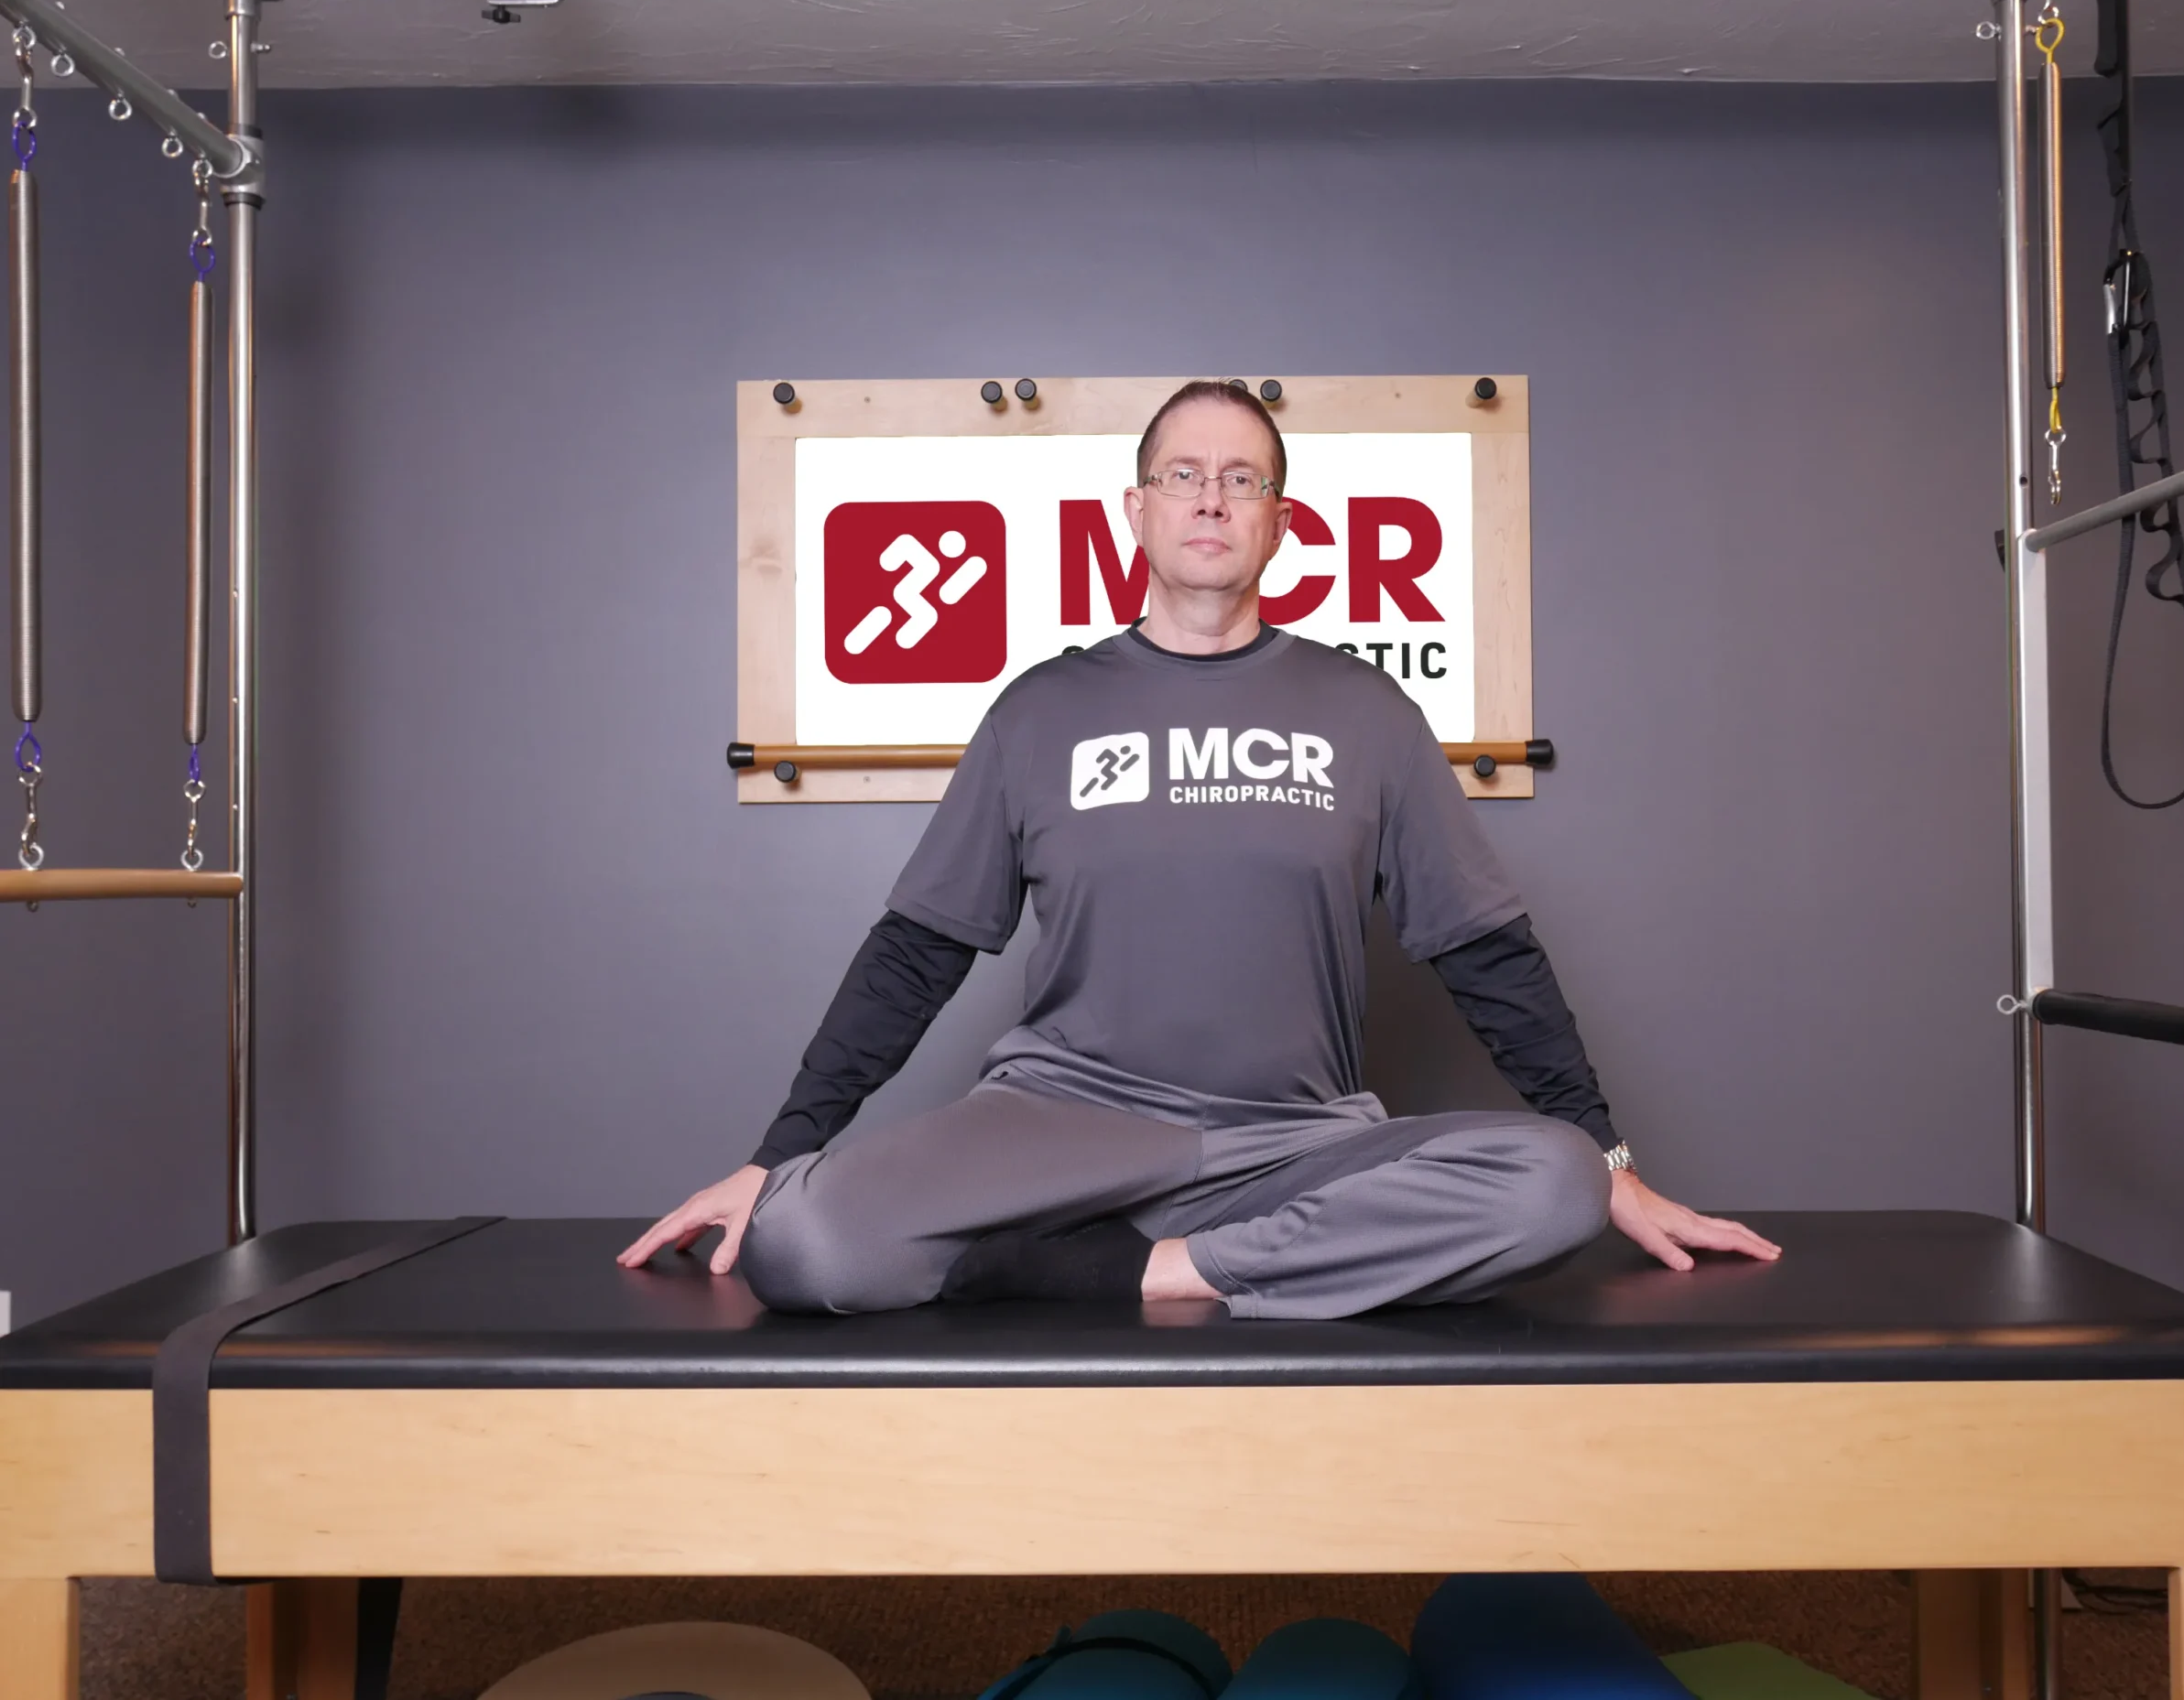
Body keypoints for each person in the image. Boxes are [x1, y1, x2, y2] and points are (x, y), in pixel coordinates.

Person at [619, 380, 1778, 1316]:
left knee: (1554, 1184)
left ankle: (1147, 1270)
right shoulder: (1038, 712)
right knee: (803, 1237)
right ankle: (1205, 1260)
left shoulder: (1367, 712)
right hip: (1058, 1126)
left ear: (1278, 520)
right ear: (1137, 512)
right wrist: (780, 1153)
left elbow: (1486, 950)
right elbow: (918, 948)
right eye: (1183, 475)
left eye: (1242, 479)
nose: (1211, 499)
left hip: (1293, 1140)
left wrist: (1610, 1157)